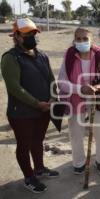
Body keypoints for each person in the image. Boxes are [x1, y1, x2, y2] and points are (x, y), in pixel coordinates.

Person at [1, 18, 59, 193]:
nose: (32, 36)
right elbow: (14, 87)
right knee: (24, 145)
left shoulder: (42, 55)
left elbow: (51, 79)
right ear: (17, 36)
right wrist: (36, 103)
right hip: (22, 113)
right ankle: (29, 177)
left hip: (44, 109)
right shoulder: (10, 58)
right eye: (27, 34)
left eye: (34, 33)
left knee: (38, 141)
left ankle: (39, 168)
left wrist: (53, 97)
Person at [58, 27, 100, 175]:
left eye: (85, 39)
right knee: (76, 132)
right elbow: (62, 82)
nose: (82, 42)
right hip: (75, 97)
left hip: (97, 98)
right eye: (78, 39)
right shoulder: (69, 55)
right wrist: (80, 89)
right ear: (74, 40)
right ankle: (79, 163)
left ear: (91, 40)